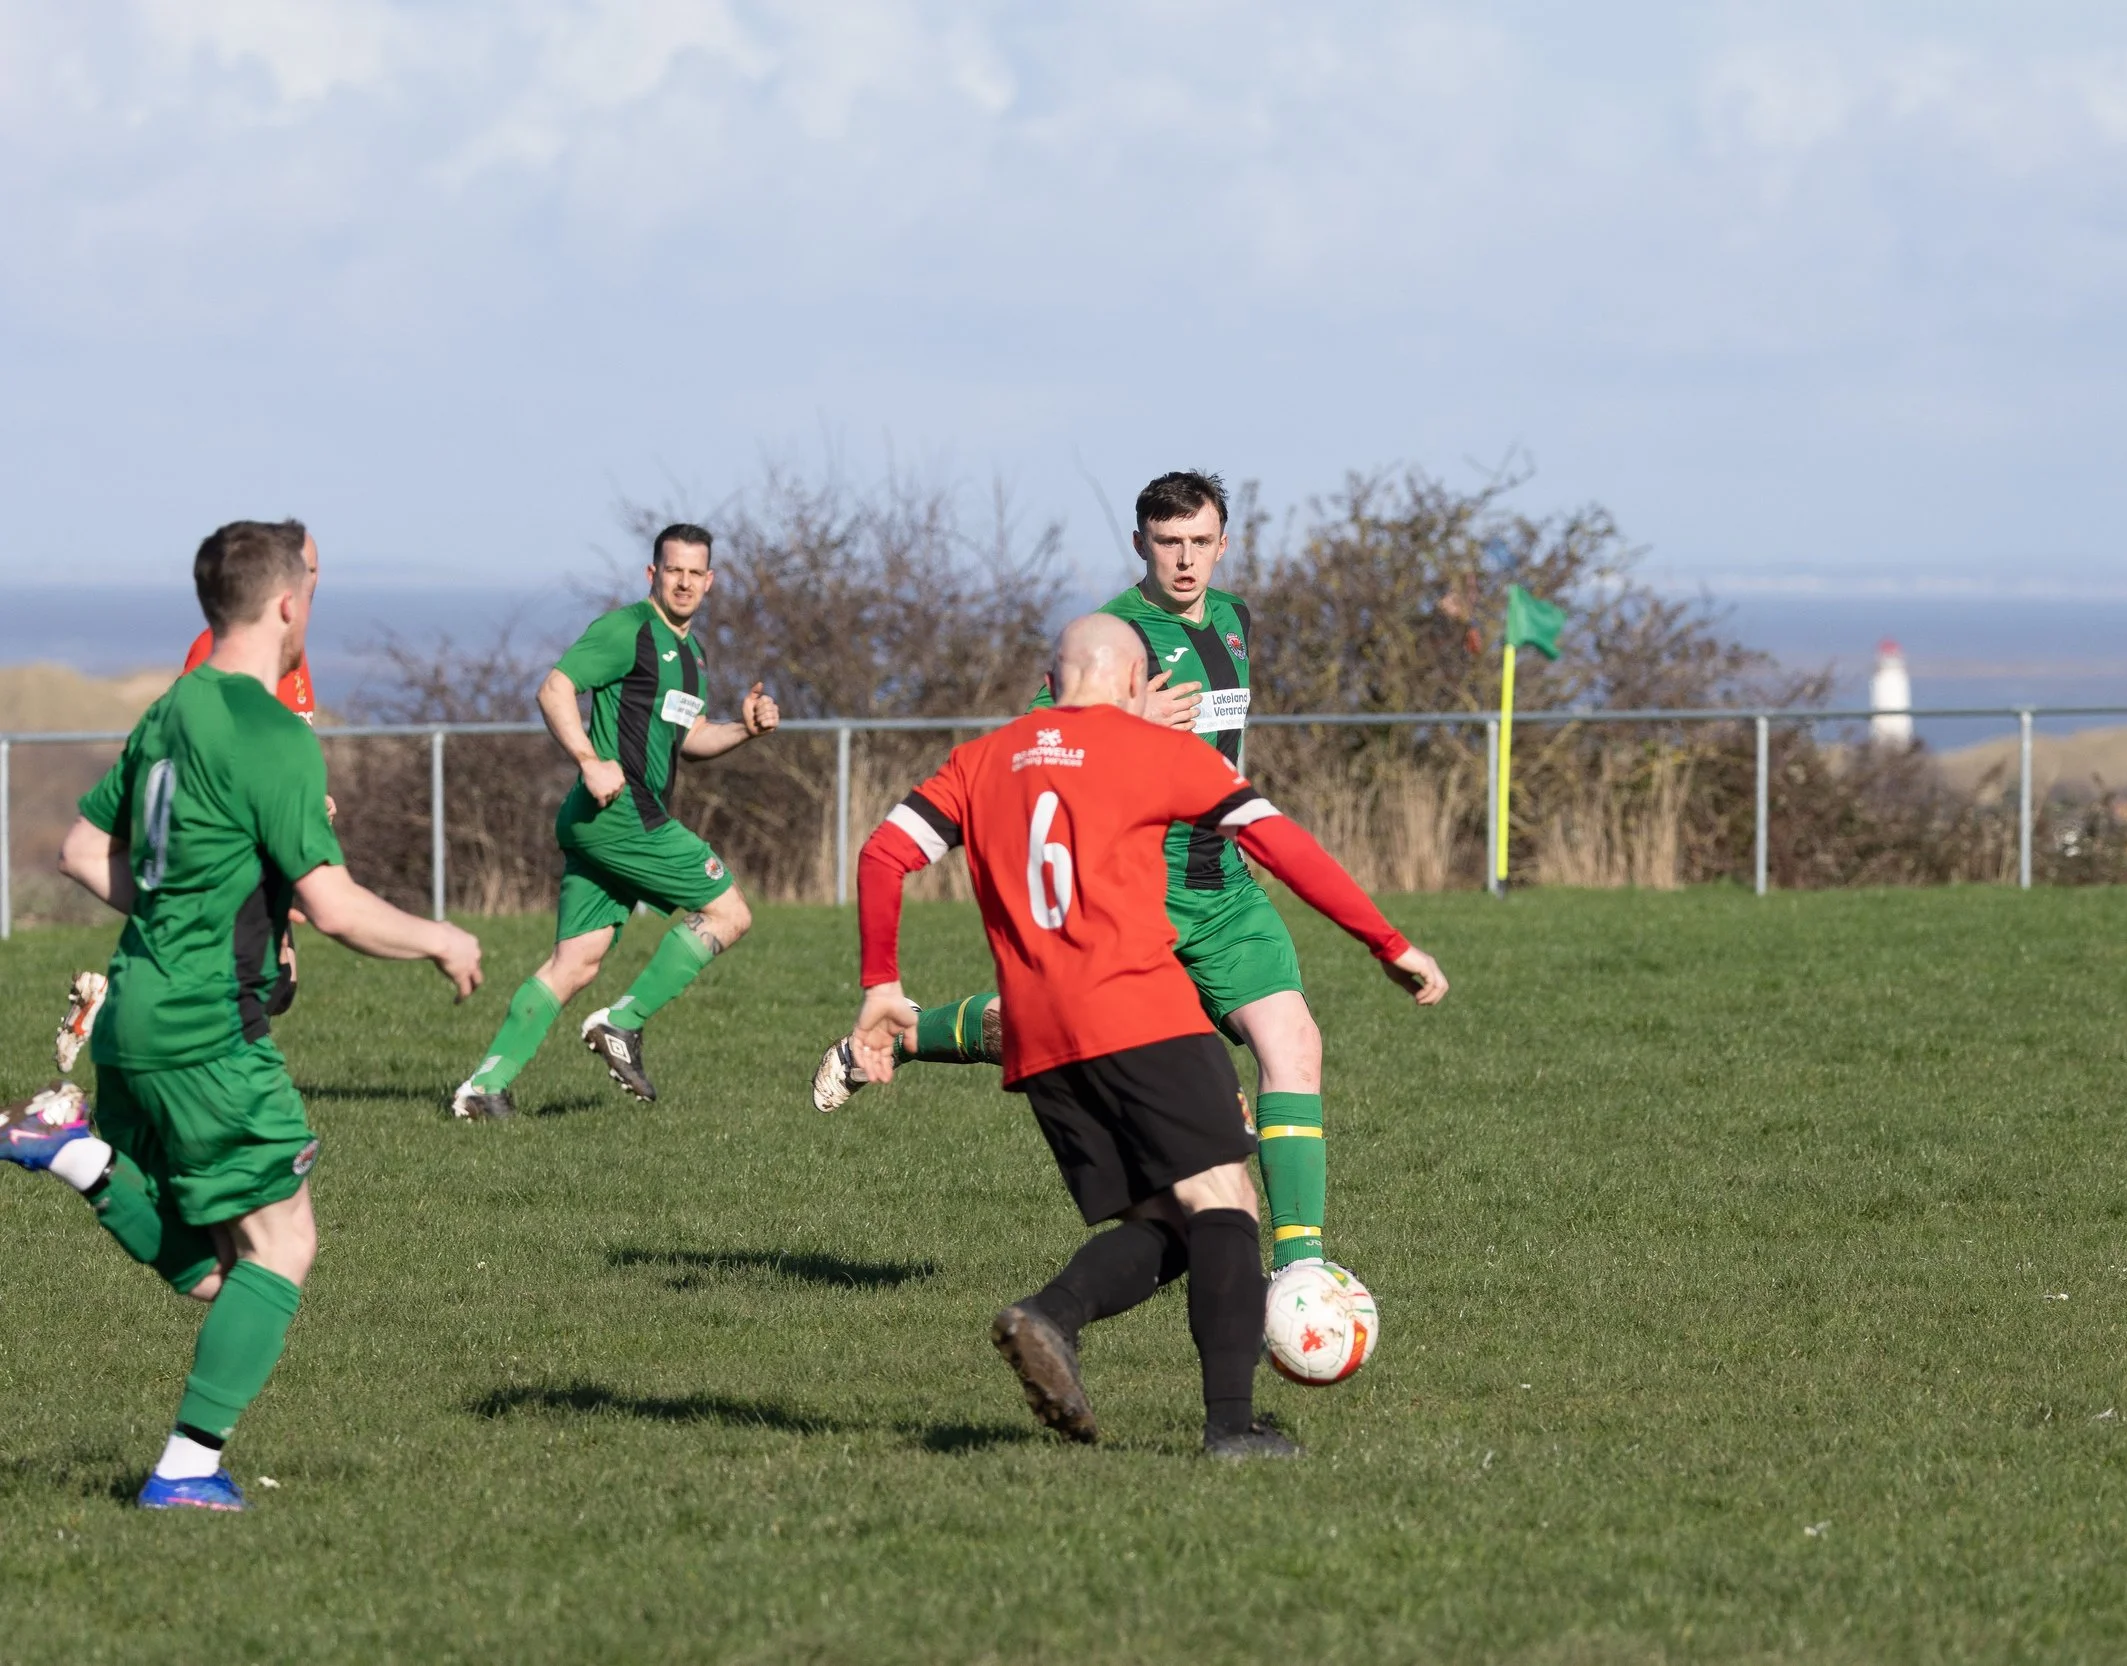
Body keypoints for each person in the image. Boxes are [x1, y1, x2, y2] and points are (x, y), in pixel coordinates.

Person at [841, 613, 1448, 1457]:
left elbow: (883, 854)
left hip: (1040, 1043)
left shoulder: (982, 759)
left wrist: (882, 982)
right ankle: (1232, 1431)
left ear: (1052, 686)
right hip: (1141, 1012)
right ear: (1136, 685)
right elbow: (1280, 844)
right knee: (1227, 1206)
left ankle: (1052, 1318)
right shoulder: (1160, 751)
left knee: (1173, 1221)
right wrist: (1389, 943)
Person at [0, 518, 482, 1512]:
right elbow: (337, 907)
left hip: (136, 1007)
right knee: (281, 1247)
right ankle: (184, 1468)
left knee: (223, 1268)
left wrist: (179, 907)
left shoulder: (170, 709)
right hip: (208, 1030)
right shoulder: (274, 733)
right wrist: (442, 937)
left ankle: (77, 1151)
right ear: (290, 603)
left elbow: (83, 853)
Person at [819, 472, 1352, 1278]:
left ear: (1224, 544)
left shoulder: (1236, 620)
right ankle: (897, 1035)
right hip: (1131, 894)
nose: (1184, 560)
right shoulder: (1113, 638)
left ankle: (1302, 1273)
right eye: (1167, 543)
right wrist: (1130, 721)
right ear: (1139, 543)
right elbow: (1039, 742)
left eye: (1200, 542)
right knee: (1022, 1026)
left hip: (1225, 892)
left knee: (1295, 1044)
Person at [449, 524, 779, 1119]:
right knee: (731, 911)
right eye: (671, 570)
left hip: (601, 821)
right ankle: (621, 1024)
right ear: (653, 575)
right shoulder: (627, 630)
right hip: (622, 814)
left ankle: (482, 1089)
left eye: (693, 573)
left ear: (709, 582)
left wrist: (744, 731)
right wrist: (587, 759)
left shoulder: (693, 657)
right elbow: (555, 689)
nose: (683, 582)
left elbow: (693, 738)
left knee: (576, 962)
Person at [52, 536, 328, 1073]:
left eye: (316, 568)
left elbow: (282, 748)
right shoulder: (221, 652)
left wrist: (311, 799)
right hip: (224, 845)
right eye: (303, 567)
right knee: (244, 980)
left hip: (264, 841)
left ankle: (131, 1021)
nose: (311, 578)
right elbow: (194, 750)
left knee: (277, 984)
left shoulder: (293, 656)